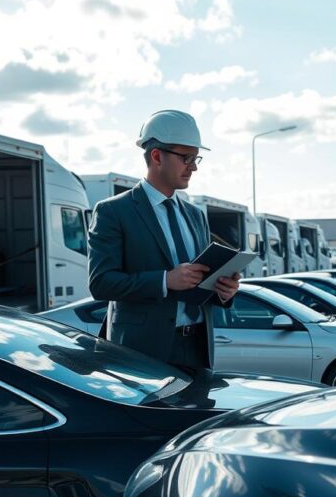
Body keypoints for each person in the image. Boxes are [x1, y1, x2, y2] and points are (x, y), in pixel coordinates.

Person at [88, 110, 240, 374]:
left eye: (196, 158)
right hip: (141, 352)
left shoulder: (195, 216)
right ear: (157, 156)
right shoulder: (113, 211)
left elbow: (198, 282)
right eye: (186, 158)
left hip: (197, 348)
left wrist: (223, 290)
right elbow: (101, 284)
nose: (193, 166)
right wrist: (165, 280)